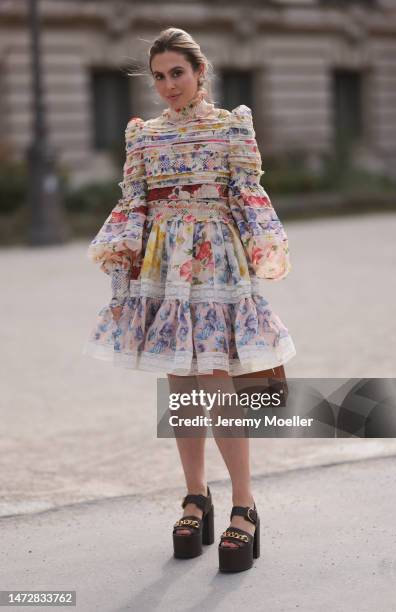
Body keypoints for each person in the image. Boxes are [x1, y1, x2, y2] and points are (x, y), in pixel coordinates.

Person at [83, 27, 296, 572]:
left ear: (201, 73)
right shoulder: (143, 136)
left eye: (177, 72)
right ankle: (196, 497)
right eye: (159, 76)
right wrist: (122, 263)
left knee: (218, 379)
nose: (168, 84)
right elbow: (134, 204)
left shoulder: (232, 127)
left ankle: (244, 506)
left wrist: (265, 250)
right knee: (180, 381)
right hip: (163, 267)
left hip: (218, 262)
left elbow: (247, 195)